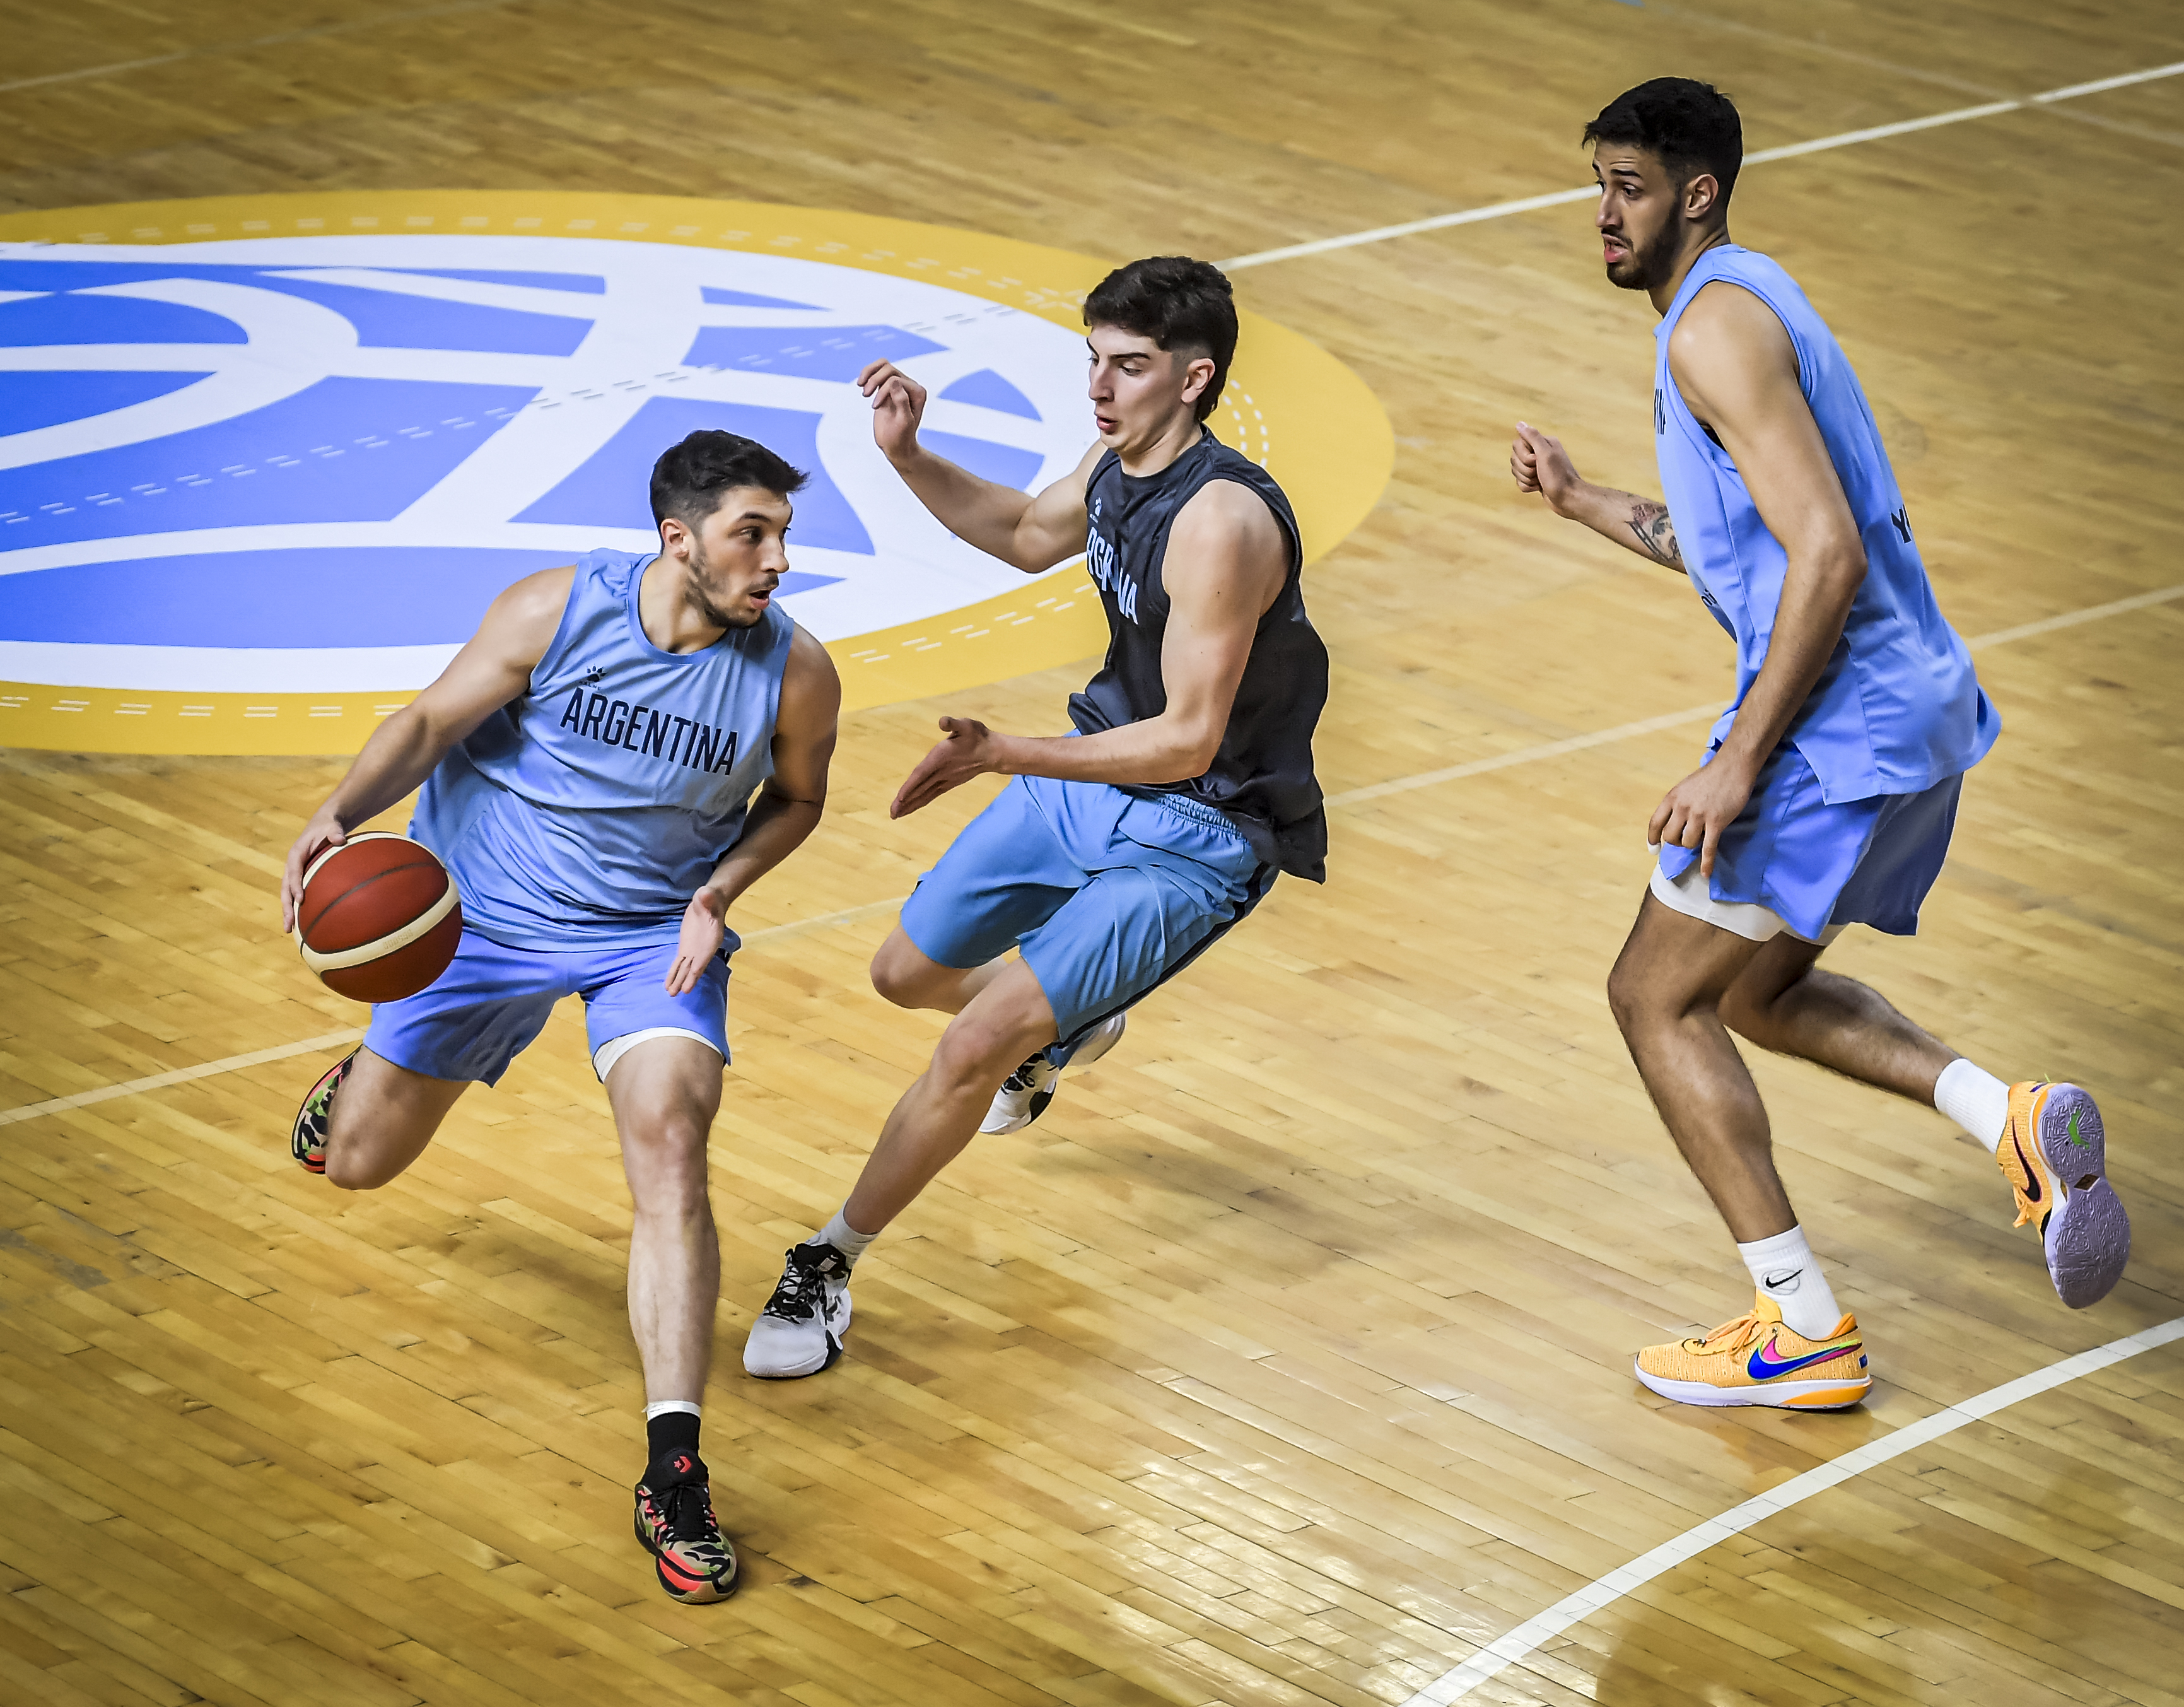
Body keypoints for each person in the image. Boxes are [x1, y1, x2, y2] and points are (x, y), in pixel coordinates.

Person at [1510, 78, 2130, 1411]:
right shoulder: (1752, 295)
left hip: (1836, 732)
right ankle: (2008, 1120)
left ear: (1697, 194)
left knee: (1650, 995)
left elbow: (1825, 553)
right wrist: (1583, 504)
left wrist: (1736, 762)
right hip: (1917, 717)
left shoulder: (1710, 336)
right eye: (1597, 187)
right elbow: (1748, 533)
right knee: (1751, 994)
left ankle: (1799, 1327)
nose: (1602, 216)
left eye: (1627, 190)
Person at [742, 256, 1329, 1381]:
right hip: (1088, 779)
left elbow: (1190, 739)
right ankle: (1066, 1026)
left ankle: (827, 1263)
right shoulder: (1115, 457)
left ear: (1196, 380)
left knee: (974, 1038)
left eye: (1131, 367)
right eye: (1095, 361)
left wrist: (1005, 751)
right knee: (903, 974)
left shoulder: (1222, 522)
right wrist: (907, 456)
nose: (1101, 388)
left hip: (1201, 827)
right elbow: (1020, 531)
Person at [279, 430, 841, 1598]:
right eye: (754, 533)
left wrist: (718, 891)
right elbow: (432, 723)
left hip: (651, 938)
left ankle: (671, 1467)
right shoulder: (555, 610)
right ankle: (377, 1068)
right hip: (482, 915)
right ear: (677, 540)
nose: (778, 559)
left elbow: (797, 799)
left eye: (784, 533)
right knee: (361, 1167)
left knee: (673, 1149)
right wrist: (343, 810)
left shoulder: (795, 672)